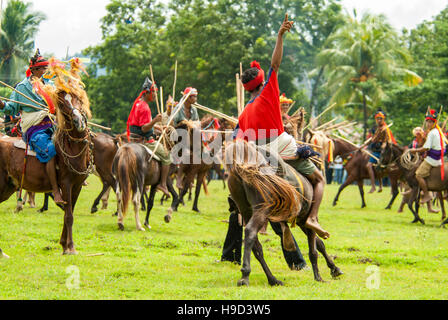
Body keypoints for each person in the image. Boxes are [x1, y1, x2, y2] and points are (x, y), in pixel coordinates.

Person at [234, 14, 329, 240]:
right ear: (261, 82)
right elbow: (275, 64)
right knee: (319, 179)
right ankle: (312, 217)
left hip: (259, 155)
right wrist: (280, 36)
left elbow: (240, 140)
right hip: (282, 147)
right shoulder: (268, 93)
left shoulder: (244, 113)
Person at [0, 49, 65, 205]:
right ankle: (56, 191)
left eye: (45, 68)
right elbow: (11, 108)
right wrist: (2, 104)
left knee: (70, 145)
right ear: (35, 70)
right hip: (34, 129)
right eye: (42, 68)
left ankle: (76, 175)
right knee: (50, 149)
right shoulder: (22, 87)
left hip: (53, 126)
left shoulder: (48, 85)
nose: (45, 71)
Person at [220, 197, 308, 271]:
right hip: (249, 191)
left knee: (278, 224)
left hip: (266, 194)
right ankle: (230, 257)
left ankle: (297, 263)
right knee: (235, 217)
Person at [126, 77, 171, 196]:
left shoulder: (138, 103)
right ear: (147, 93)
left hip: (134, 138)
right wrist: (156, 120)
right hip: (144, 141)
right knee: (167, 155)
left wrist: (159, 128)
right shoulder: (145, 107)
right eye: (154, 93)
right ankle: (163, 184)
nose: (155, 95)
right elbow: (144, 128)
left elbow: (142, 124)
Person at [410, 109, 446, 204]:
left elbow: (426, 148)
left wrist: (415, 150)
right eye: (427, 122)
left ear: (434, 122)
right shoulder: (438, 131)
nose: (428, 124)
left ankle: (426, 195)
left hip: (432, 159)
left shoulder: (432, 133)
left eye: (431, 122)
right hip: (438, 158)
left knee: (418, 175)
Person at [360, 110, 396, 194]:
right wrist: (363, 145)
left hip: (383, 151)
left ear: (383, 119)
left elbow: (388, 140)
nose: (379, 120)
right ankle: (377, 186)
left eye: (381, 119)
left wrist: (383, 146)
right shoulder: (378, 129)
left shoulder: (385, 129)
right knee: (373, 167)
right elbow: (373, 139)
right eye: (377, 119)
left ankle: (374, 186)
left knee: (370, 166)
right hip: (376, 149)